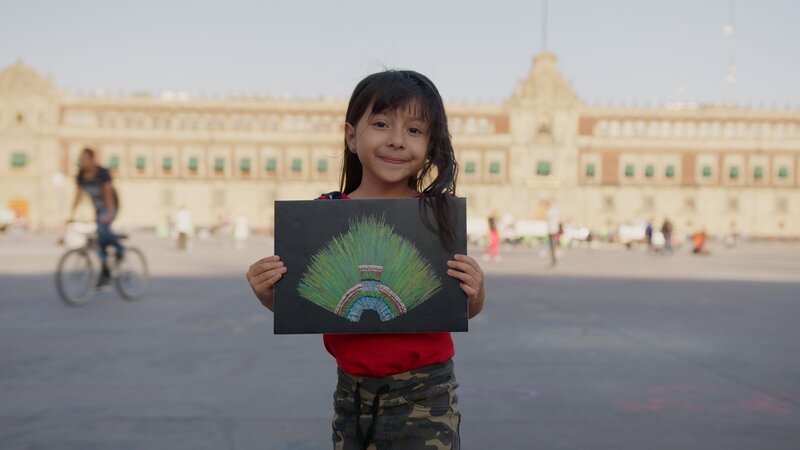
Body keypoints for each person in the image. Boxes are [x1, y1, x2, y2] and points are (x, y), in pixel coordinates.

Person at [246, 70, 485, 450]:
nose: (396, 140)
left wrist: (475, 293)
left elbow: (459, 308)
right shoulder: (323, 216)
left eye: (414, 130)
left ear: (431, 144)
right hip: (352, 393)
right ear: (351, 136)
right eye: (380, 123)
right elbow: (306, 302)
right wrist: (269, 294)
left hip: (425, 393)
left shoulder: (436, 216)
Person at [69, 147, 124, 287]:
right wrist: (71, 215)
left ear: (92, 160)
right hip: (98, 209)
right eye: (81, 159)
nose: (82, 162)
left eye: (85, 159)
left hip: (111, 205)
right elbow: (78, 196)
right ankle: (105, 270)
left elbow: (108, 195)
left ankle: (120, 249)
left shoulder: (102, 174)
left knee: (102, 230)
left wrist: (109, 214)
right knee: (99, 241)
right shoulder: (81, 176)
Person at [545, 200, 560, 266]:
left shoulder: (551, 211)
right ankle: (554, 258)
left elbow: (547, 217)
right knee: (553, 245)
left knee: (553, 245)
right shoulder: (555, 211)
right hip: (553, 230)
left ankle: (554, 259)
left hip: (552, 230)